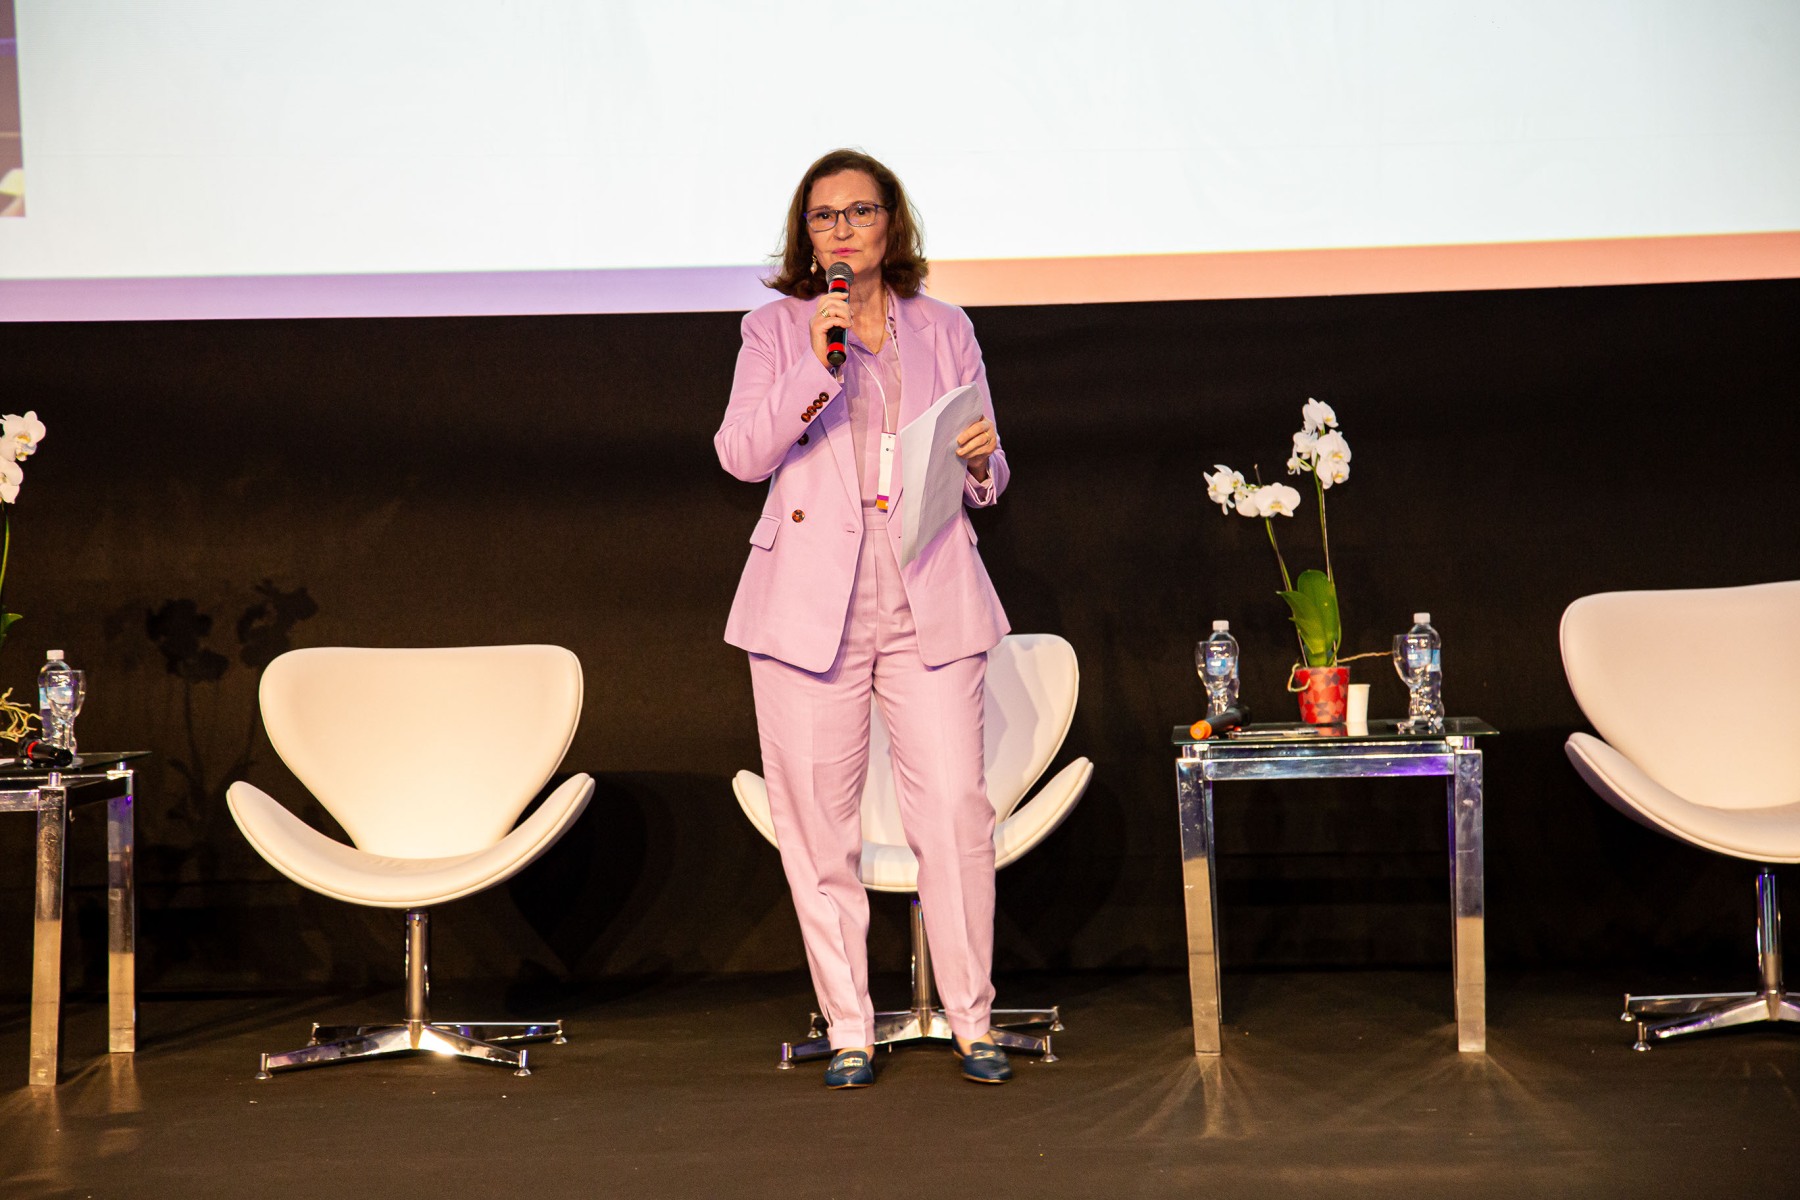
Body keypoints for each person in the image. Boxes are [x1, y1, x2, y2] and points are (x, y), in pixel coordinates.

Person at [715, 149, 1012, 1088]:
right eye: (824, 216)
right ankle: (850, 1026)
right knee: (817, 825)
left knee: (956, 813)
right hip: (811, 599)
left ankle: (973, 1020)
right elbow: (740, 454)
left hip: (927, 581)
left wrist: (981, 460)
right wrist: (816, 362)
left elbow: (990, 467)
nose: (842, 229)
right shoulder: (775, 330)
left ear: (892, 223)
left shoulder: (946, 326)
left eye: (860, 211)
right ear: (806, 236)